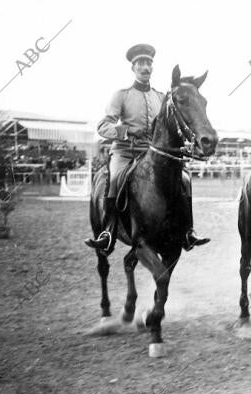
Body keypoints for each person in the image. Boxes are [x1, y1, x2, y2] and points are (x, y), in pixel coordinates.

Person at [84, 43, 209, 252]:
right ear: (133, 67)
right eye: (141, 63)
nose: (145, 67)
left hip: (153, 153)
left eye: (148, 63)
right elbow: (102, 126)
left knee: (185, 179)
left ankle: (188, 231)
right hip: (125, 152)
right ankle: (108, 230)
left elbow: (173, 124)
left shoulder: (161, 97)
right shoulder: (121, 95)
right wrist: (126, 131)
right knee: (115, 179)